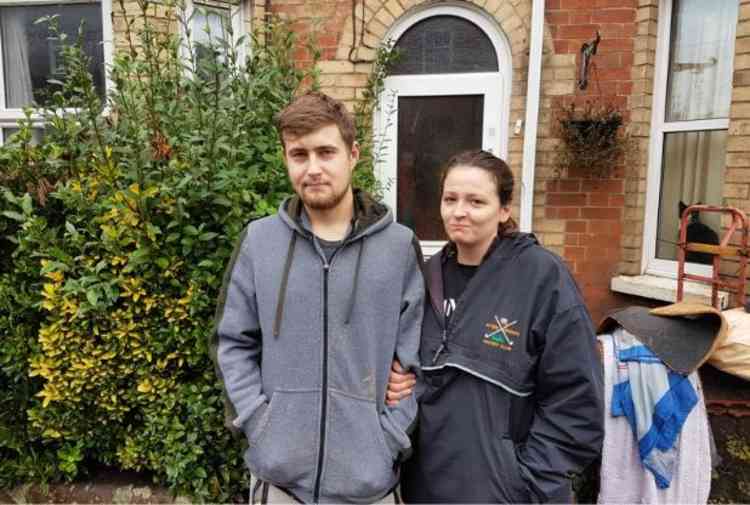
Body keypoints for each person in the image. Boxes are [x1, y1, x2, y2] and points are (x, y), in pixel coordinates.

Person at [211, 92, 423, 504]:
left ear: (353, 154)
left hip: (369, 484)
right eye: (299, 154)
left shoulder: (398, 248)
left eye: (326, 152)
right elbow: (231, 343)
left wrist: (389, 439)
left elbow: (419, 359)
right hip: (280, 484)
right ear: (285, 159)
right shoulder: (260, 242)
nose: (312, 168)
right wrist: (260, 425)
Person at [387, 150, 604, 503]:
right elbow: (405, 367)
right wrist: (396, 382)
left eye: (476, 201)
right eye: (450, 199)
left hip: (506, 493)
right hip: (426, 488)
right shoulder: (425, 280)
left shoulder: (541, 279)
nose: (460, 211)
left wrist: (524, 484)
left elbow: (578, 402)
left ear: (503, 210)